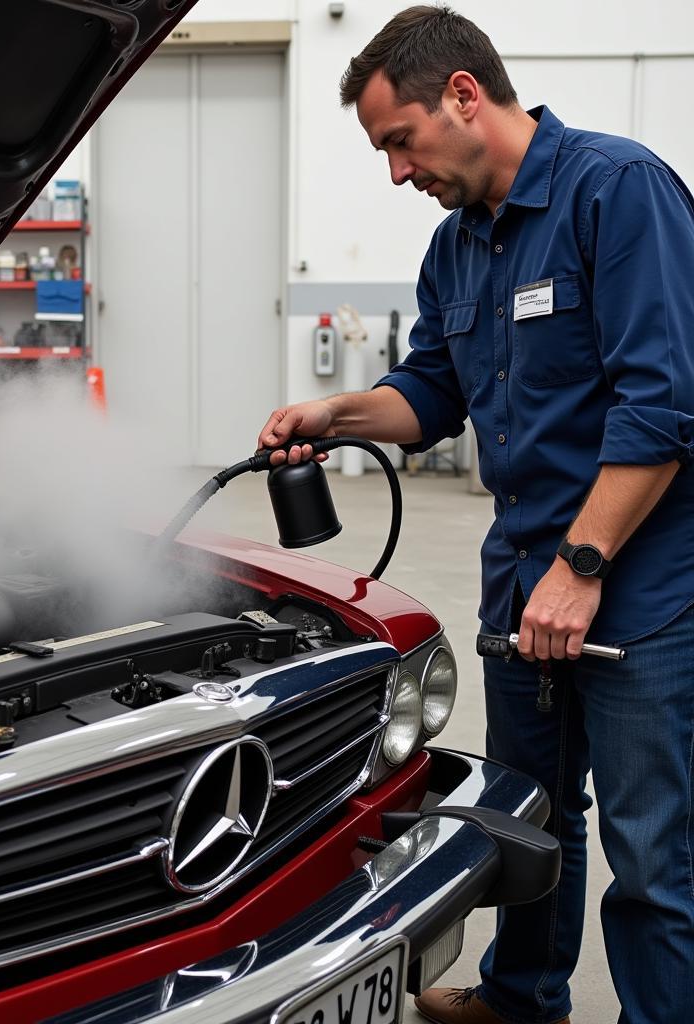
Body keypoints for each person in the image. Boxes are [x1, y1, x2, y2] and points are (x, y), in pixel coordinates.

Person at [257, 7, 694, 1024]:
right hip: (522, 583)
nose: (396, 173)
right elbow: (429, 397)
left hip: (636, 589)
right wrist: (335, 411)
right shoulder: (457, 248)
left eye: (397, 142)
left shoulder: (614, 192)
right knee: (527, 819)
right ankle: (522, 996)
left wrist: (580, 567)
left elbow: (661, 406)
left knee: (651, 853)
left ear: (462, 95)